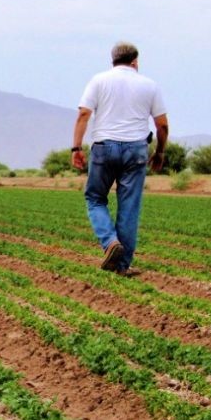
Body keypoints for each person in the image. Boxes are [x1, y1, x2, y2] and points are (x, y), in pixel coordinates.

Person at [72, 41, 168, 274]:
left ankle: (110, 242)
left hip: (104, 147)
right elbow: (162, 125)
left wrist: (76, 148)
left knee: (95, 198)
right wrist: (160, 152)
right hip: (136, 149)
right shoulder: (150, 85)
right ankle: (122, 266)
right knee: (129, 206)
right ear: (135, 61)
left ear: (112, 60)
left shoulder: (99, 80)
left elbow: (84, 113)